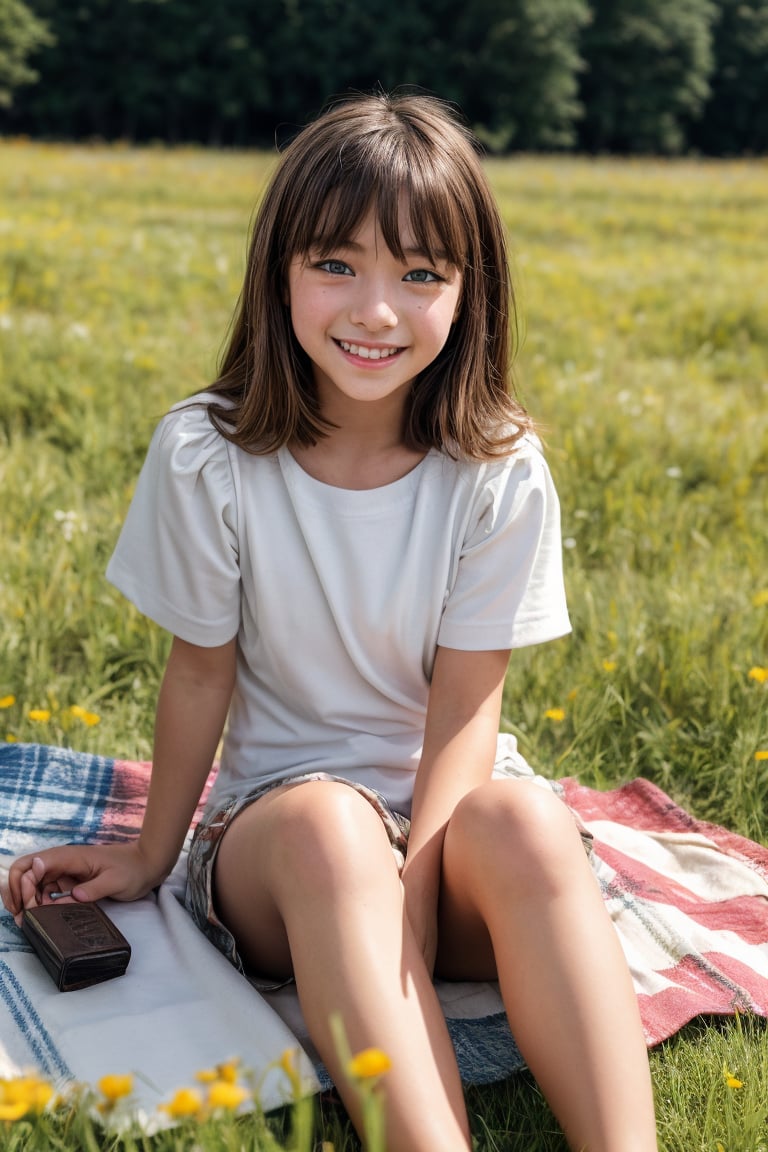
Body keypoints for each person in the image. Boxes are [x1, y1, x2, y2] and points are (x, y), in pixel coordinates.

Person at [3, 91, 657, 1151]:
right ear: (280, 271)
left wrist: (421, 900)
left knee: (529, 822)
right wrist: (151, 855)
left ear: (468, 294)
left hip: (443, 830)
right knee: (330, 831)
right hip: (281, 846)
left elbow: (465, 710)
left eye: (420, 275)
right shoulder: (208, 454)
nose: (375, 311)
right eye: (337, 264)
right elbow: (200, 673)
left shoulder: (497, 466)